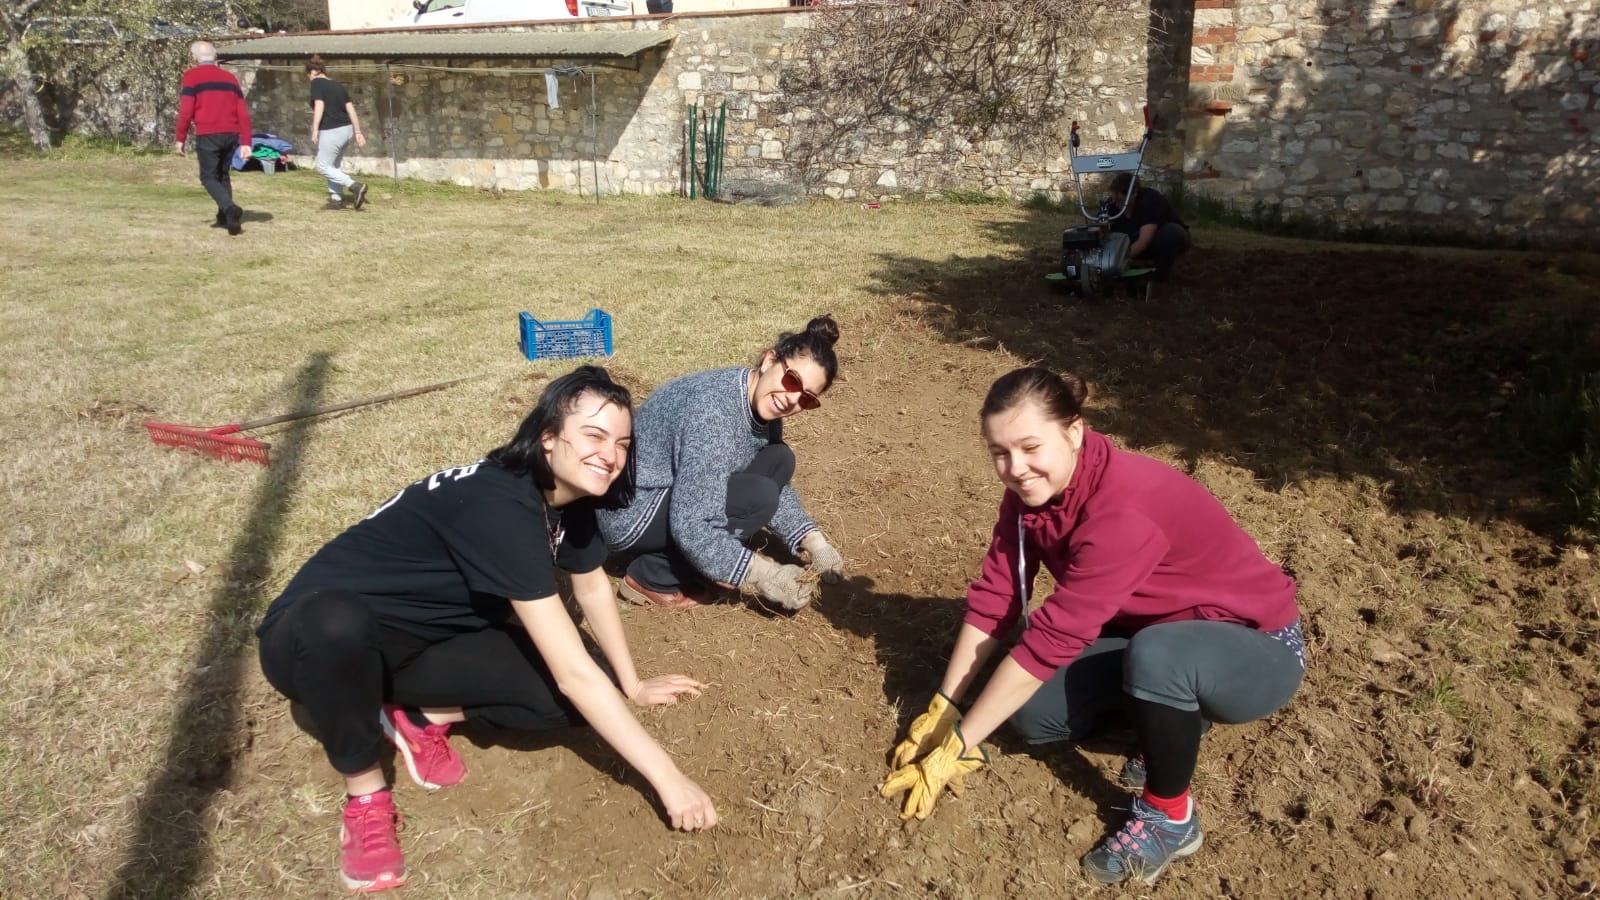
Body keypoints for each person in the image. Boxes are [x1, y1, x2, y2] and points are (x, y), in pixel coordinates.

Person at [256, 366, 716, 894]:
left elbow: (590, 587)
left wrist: (631, 682)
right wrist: (669, 778)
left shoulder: (570, 499)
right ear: (548, 438)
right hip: (310, 642)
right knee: (337, 622)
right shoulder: (501, 502)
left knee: (571, 699)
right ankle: (366, 798)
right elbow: (573, 672)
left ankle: (412, 716)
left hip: (418, 650)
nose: (610, 455)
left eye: (621, 442)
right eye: (593, 435)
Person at [881, 367, 1305, 888]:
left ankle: (1170, 818)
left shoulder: (1124, 506)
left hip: (1255, 648)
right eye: (999, 452)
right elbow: (998, 595)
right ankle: (1175, 716)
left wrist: (961, 746)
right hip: (1149, 630)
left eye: (1030, 447)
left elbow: (1057, 635)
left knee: (1160, 659)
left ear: (1075, 432)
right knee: (1034, 715)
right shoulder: (1028, 496)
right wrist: (945, 708)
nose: (1016, 468)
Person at [597, 315, 847, 612]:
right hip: (631, 514)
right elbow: (692, 524)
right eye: (791, 380)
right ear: (769, 360)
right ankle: (653, 576)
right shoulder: (713, 415)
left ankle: (689, 563)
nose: (791, 399)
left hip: (670, 493)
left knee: (779, 459)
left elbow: (775, 483)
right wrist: (763, 574)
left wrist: (812, 540)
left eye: (806, 398)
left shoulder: (758, 400)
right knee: (758, 497)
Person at [175, 41, 252, 236]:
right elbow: (242, 112)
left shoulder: (191, 76)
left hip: (208, 133)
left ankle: (229, 208)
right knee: (223, 175)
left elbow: (186, 110)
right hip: (231, 133)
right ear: (215, 57)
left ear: (194, 58)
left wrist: (180, 138)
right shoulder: (230, 78)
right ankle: (226, 220)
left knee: (208, 177)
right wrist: (246, 141)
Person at [305, 55, 369, 211]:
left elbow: (319, 105)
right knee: (334, 165)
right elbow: (350, 108)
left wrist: (315, 129)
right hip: (346, 130)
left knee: (323, 166)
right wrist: (358, 131)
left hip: (331, 130)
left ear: (312, 72)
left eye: (308, 76)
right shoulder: (338, 86)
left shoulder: (316, 83)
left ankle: (355, 186)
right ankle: (336, 199)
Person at [1108, 172, 1190, 283]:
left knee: (1170, 234)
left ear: (1134, 193)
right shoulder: (1111, 205)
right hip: (1130, 243)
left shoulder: (1150, 201)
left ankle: (1159, 275)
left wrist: (1117, 260)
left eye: (1122, 201)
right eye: (1115, 199)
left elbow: (1144, 241)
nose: (1117, 204)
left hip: (1156, 241)